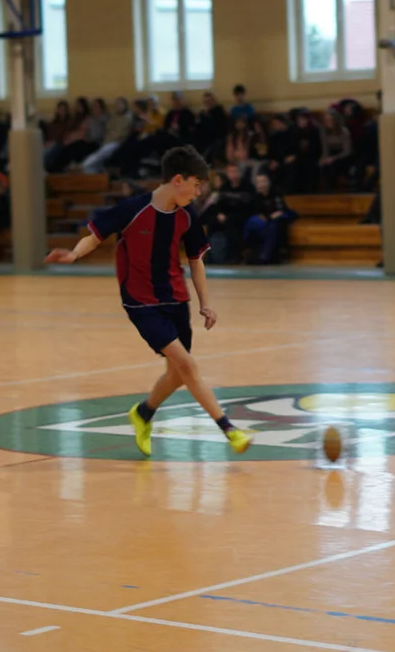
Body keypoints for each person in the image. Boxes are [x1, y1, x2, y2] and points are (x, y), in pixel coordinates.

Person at [43, 145, 252, 457]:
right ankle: (228, 429)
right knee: (188, 365)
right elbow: (95, 236)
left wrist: (204, 302)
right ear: (178, 180)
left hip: (175, 298)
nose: (198, 193)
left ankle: (143, 413)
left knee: (178, 374)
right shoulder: (133, 208)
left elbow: (196, 261)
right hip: (141, 302)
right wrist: (74, 253)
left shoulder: (187, 216)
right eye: (196, 185)